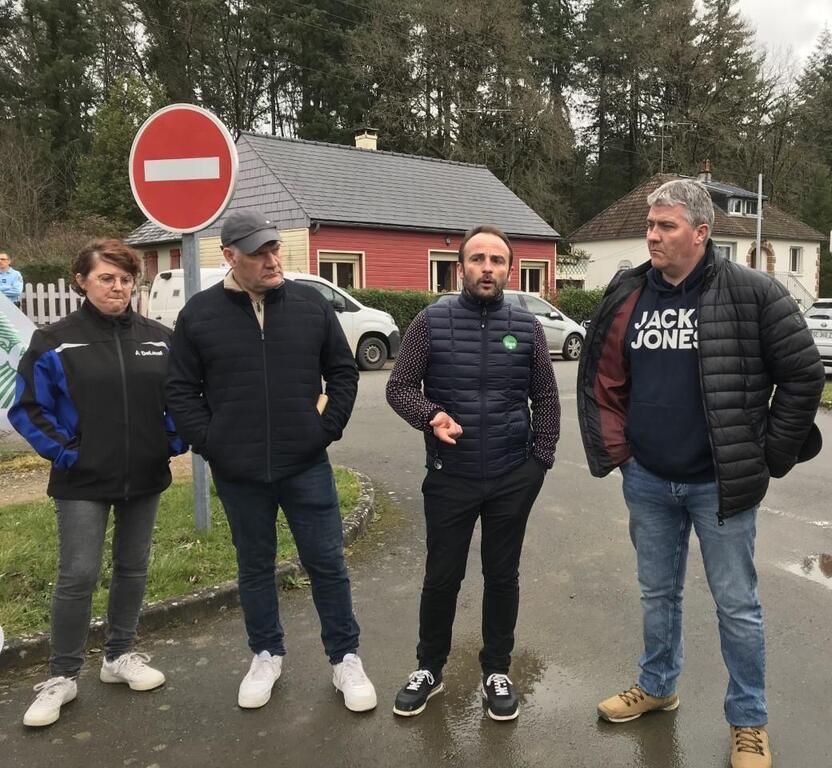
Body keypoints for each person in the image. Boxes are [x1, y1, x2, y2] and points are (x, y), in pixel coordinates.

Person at [577, 179, 823, 768]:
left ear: (701, 233)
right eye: (651, 225)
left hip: (721, 484)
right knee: (657, 593)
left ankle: (748, 721)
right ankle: (658, 685)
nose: (652, 236)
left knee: (737, 605)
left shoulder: (752, 292)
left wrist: (767, 455)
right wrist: (622, 451)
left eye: (666, 226)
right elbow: (603, 376)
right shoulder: (630, 289)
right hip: (649, 479)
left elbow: (804, 375)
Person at [164, 210, 376, 712]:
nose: (271, 259)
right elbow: (179, 389)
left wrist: (324, 431)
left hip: (305, 465)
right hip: (238, 472)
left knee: (327, 564)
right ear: (230, 256)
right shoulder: (199, 314)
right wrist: (211, 441)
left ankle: (345, 658)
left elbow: (343, 374)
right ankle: (265, 653)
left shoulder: (309, 306)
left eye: (274, 249)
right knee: (254, 566)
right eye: (258, 253)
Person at [385, 224, 560, 721]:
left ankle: (497, 670)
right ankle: (429, 668)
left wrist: (539, 461)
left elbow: (546, 397)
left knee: (502, 575)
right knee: (442, 576)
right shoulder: (431, 321)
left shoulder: (526, 327)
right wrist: (430, 416)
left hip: (511, 475)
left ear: (509, 268)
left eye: (498, 260)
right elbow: (399, 387)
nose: (488, 268)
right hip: (451, 475)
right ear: (459, 266)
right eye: (478, 259)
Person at [9, 239, 185, 727]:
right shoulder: (55, 339)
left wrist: (169, 442)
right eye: (107, 277)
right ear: (82, 281)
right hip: (82, 479)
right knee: (78, 574)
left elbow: (180, 399)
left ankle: (119, 656)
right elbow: (28, 409)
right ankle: (62, 676)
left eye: (126, 278)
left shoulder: (158, 337)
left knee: (132, 567)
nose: (118, 287)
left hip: (145, 475)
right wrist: (68, 454)